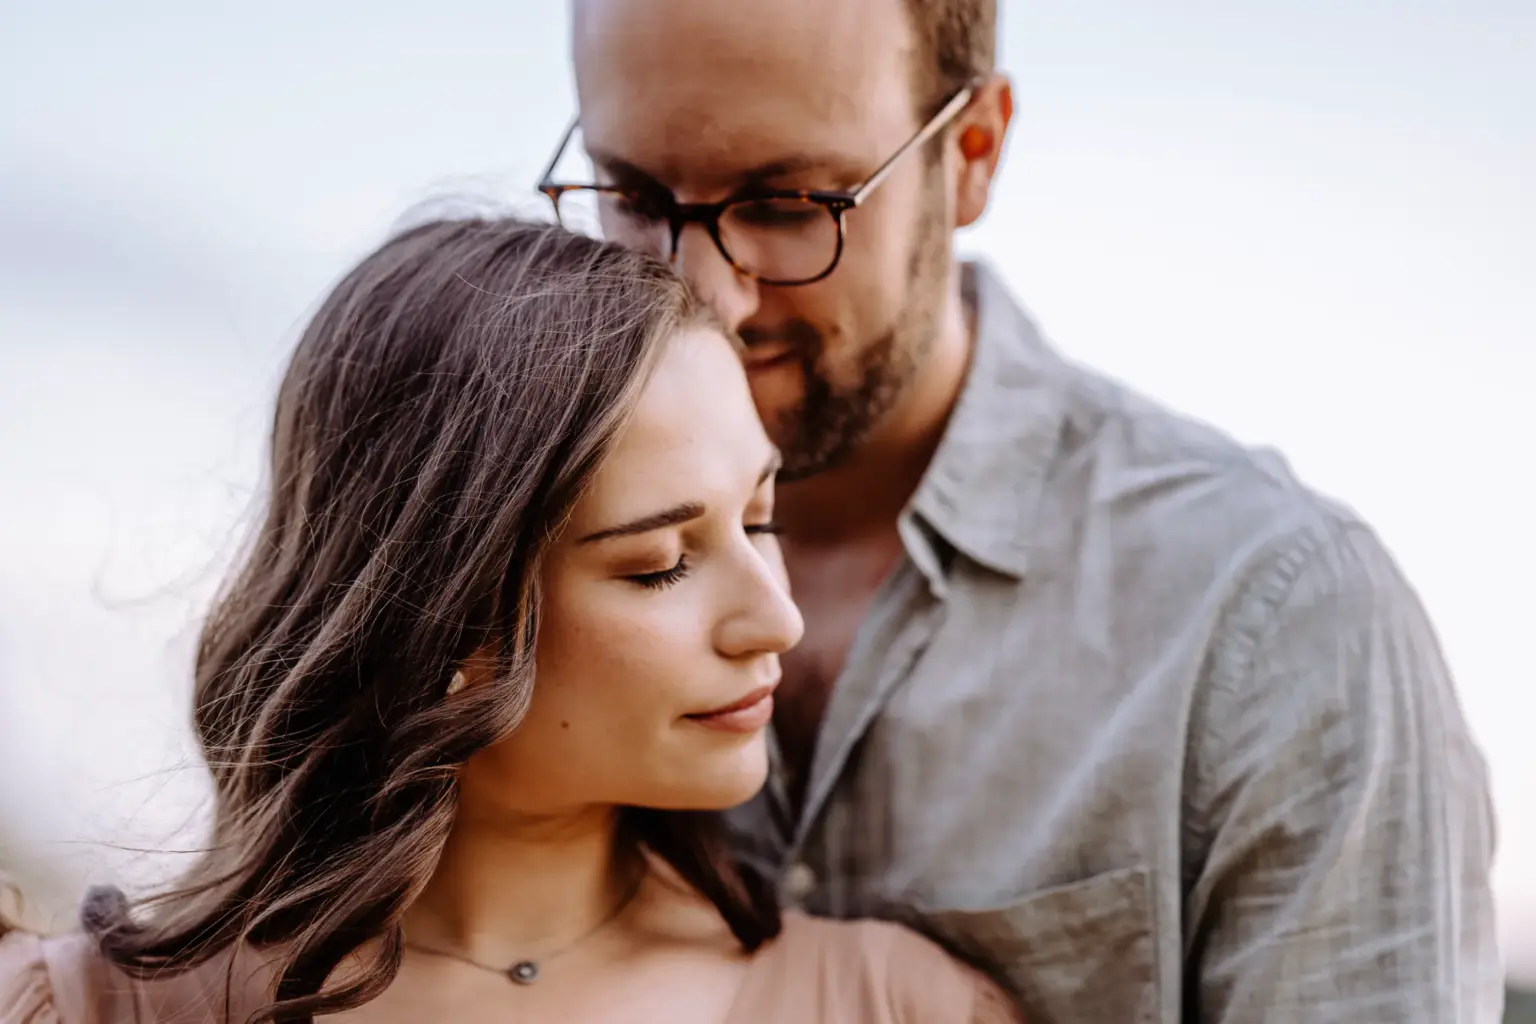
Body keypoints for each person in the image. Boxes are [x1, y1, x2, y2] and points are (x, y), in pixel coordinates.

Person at [550, 0, 1503, 1020]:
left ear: (972, 152)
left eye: (787, 206)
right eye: (633, 197)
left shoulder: (1277, 615)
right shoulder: (498, 564)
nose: (704, 296)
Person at [0, 218, 1021, 1023]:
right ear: (448, 609)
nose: (778, 618)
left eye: (761, 518)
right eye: (660, 563)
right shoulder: (94, 1007)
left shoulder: (900, 1006)